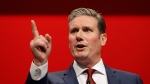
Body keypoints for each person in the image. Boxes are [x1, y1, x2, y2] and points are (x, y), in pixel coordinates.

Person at [25, 8, 143, 84]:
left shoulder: (131, 81)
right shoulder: (50, 81)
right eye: (74, 31)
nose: (79, 36)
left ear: (103, 39)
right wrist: (39, 63)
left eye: (87, 30)